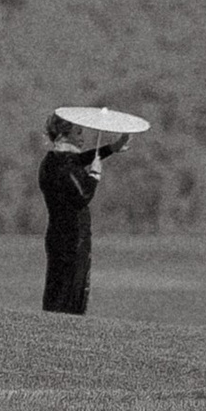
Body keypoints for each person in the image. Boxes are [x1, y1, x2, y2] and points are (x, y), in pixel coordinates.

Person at [40, 113, 128, 316]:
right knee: (71, 292)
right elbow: (83, 195)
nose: (82, 138)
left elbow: (79, 159)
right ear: (64, 135)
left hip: (57, 236)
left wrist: (111, 148)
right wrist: (95, 174)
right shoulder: (65, 167)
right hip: (73, 240)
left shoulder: (51, 162)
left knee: (56, 289)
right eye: (78, 132)